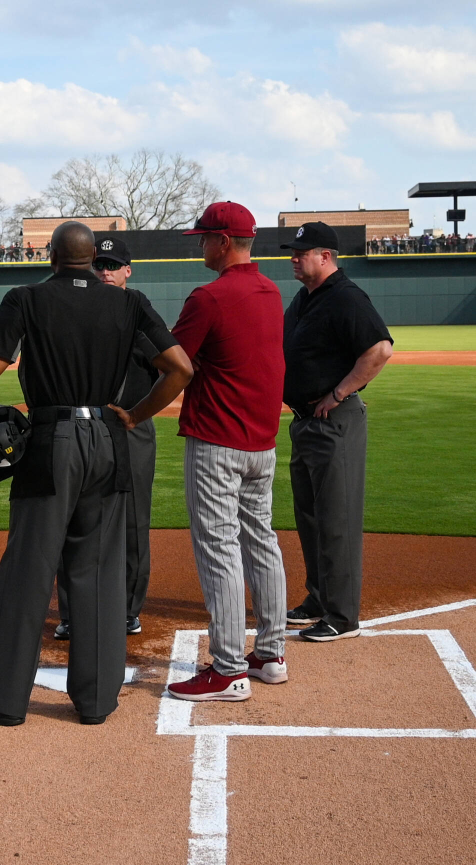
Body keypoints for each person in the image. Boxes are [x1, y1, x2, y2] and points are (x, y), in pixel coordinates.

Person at [0, 221, 192, 726]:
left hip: (51, 439)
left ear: (52, 256)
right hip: (107, 440)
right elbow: (181, 368)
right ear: (88, 260)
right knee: (99, 573)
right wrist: (137, 414)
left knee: (28, 570)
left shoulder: (25, 298)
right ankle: (97, 700)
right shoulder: (128, 301)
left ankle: (4, 700)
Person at [164, 202, 290, 703]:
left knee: (219, 548)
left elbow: (173, 362)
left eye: (203, 238)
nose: (200, 246)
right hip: (262, 443)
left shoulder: (210, 297)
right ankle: (271, 654)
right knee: (261, 540)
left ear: (222, 241)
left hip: (217, 441)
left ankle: (229, 667)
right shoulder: (270, 290)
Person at [279, 222, 394, 642]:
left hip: (335, 422)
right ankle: (318, 598)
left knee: (336, 519)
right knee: (309, 517)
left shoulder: (346, 297)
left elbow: (380, 349)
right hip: (305, 422)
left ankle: (342, 616)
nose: (293, 257)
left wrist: (341, 391)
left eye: (301, 252)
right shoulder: (305, 298)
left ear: (324, 256)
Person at [53, 236, 157, 640]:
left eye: (113, 265)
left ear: (128, 270)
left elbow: (172, 367)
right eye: (100, 265)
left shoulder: (138, 309)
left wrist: (139, 413)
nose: (106, 272)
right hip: (83, 425)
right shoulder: (81, 307)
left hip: (129, 427)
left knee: (133, 521)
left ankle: (128, 608)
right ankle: (71, 610)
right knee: (74, 518)